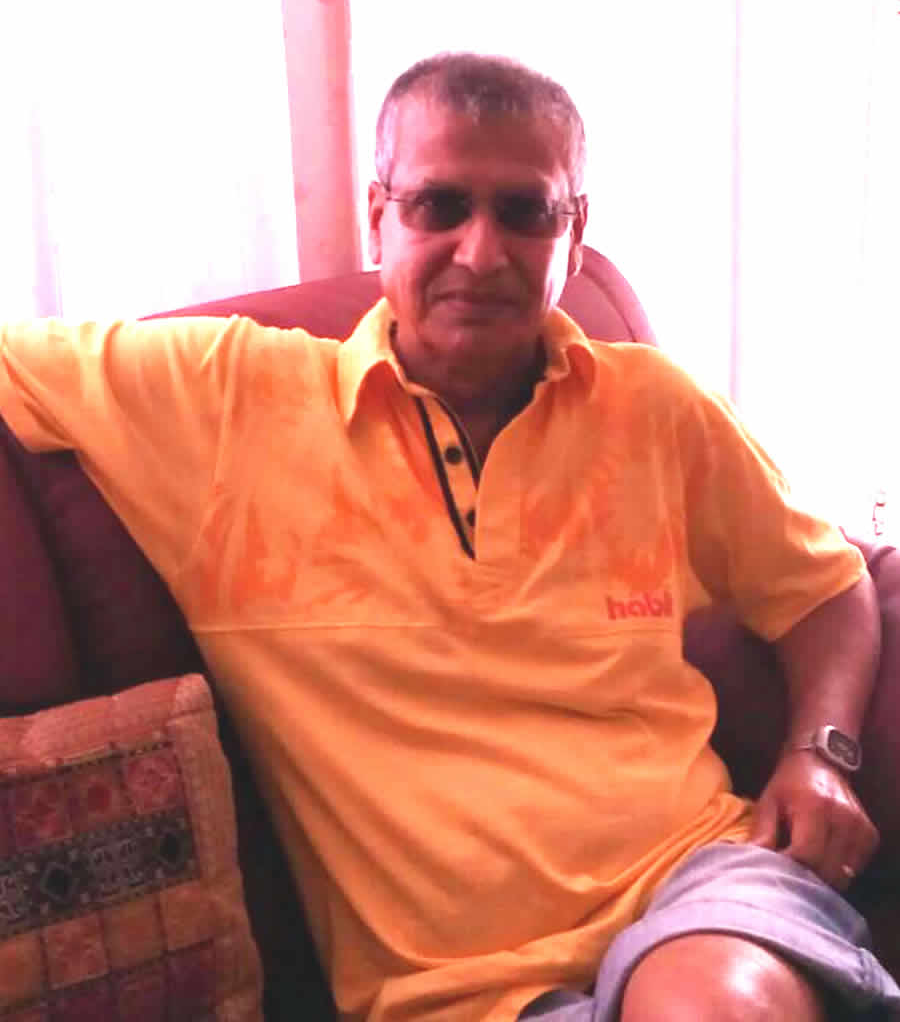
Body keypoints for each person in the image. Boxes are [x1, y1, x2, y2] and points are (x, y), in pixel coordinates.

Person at [1, 52, 899, 1022]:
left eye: (526, 212)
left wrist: (820, 753)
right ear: (377, 215)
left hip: (698, 889)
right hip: (458, 990)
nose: (480, 253)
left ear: (575, 232)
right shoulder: (223, 399)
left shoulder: (657, 408)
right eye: (439, 206)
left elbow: (824, 586)